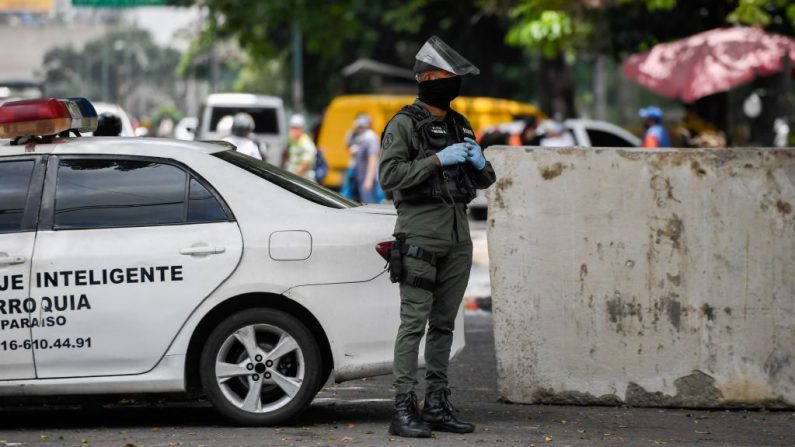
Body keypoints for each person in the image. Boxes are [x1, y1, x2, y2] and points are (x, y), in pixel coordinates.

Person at [379, 35, 496, 438]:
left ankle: (437, 403)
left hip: (457, 233)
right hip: (420, 231)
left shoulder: (459, 123)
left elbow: (484, 178)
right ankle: (402, 408)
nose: (454, 83)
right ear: (426, 78)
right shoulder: (404, 124)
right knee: (413, 323)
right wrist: (435, 160)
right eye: (448, 76)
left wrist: (481, 163)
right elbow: (389, 177)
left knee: (444, 324)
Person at [346, 113, 383, 203]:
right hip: (363, 177)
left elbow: (372, 159)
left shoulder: (370, 138)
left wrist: (368, 180)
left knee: (370, 204)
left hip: (369, 179)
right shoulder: (364, 137)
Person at [286, 113, 317, 180]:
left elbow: (305, 164)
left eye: (296, 128)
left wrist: (294, 179)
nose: (293, 131)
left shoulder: (305, 142)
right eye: (292, 128)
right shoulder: (295, 141)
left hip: (303, 181)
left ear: (302, 129)